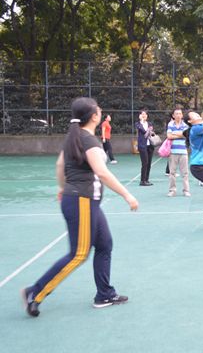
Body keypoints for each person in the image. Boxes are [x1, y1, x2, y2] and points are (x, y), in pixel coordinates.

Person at [20, 97, 139, 317]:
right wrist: (127, 195)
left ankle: (104, 294)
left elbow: (59, 165)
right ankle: (34, 293)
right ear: (94, 116)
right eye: (99, 109)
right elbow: (102, 172)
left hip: (83, 201)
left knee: (104, 244)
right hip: (82, 200)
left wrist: (62, 187)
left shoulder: (74, 137)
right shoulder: (88, 140)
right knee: (79, 254)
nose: (101, 111)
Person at [167, 107, 190, 196]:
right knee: (172, 173)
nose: (178, 115)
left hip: (183, 152)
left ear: (182, 115)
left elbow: (186, 135)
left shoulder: (185, 125)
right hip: (173, 152)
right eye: (176, 114)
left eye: (180, 113)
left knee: (185, 173)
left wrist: (174, 133)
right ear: (173, 115)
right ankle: (172, 190)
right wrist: (180, 134)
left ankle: (186, 190)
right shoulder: (170, 124)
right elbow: (169, 136)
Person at [135, 109, 155, 186]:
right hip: (142, 146)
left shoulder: (150, 123)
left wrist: (151, 132)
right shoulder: (138, 124)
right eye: (142, 114)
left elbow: (151, 133)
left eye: (145, 114)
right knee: (145, 163)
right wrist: (142, 121)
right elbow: (143, 131)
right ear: (139, 115)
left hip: (150, 146)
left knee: (149, 163)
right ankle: (142, 181)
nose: (144, 115)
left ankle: (146, 179)